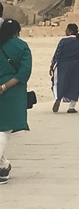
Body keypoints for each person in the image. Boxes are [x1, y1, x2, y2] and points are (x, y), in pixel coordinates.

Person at [0, 19, 32, 185]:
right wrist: (5, 86)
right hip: (12, 92)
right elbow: (24, 72)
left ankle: (3, 166)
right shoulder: (22, 46)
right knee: (5, 129)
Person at [49, 23, 79, 113]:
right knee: (75, 83)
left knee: (60, 82)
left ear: (70, 31)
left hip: (63, 64)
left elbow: (57, 54)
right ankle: (71, 106)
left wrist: (52, 66)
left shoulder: (63, 41)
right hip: (77, 65)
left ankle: (58, 98)